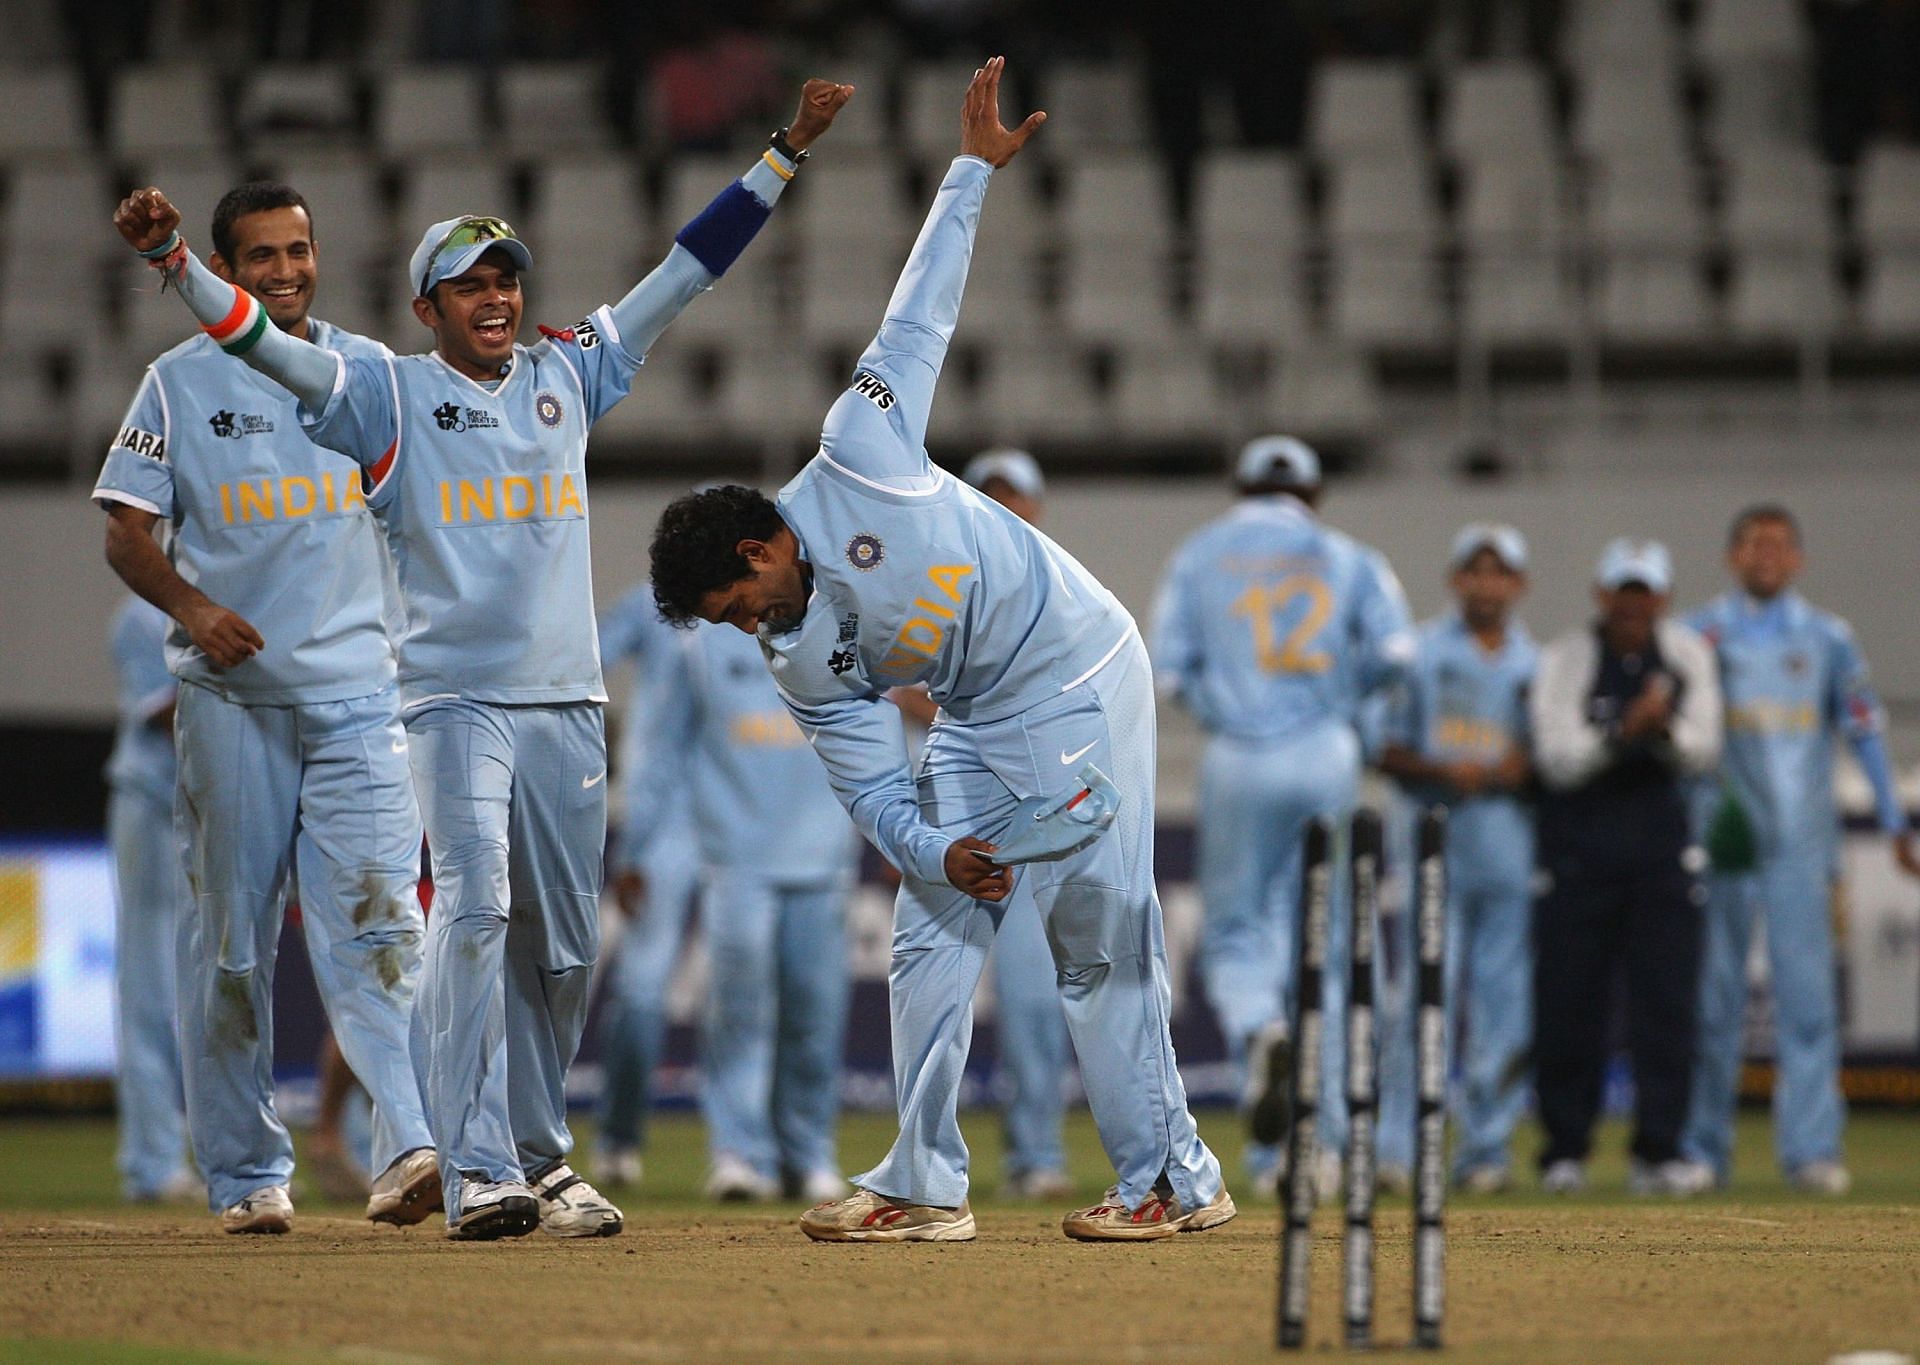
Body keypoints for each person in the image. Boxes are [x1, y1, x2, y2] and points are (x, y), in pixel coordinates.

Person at [112, 77, 853, 1240]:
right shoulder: (382, 397)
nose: (496, 295)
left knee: (561, 951)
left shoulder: (572, 372)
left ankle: (541, 1159)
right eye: (469, 283)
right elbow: (262, 342)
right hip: (452, 704)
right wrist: (176, 266)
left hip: (568, 701)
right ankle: (475, 1171)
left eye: (506, 276)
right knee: (472, 910)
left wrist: (786, 152)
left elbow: (686, 272)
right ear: (427, 306)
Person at [647, 59, 1233, 1243]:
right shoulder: (794, 660)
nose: (748, 625)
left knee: (1092, 934)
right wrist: (937, 848)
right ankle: (922, 1186)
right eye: (725, 624)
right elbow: (869, 786)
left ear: (768, 538)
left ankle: (1176, 1180)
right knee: (928, 915)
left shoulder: (859, 446)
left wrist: (968, 171)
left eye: (741, 598)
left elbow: (921, 311)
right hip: (974, 710)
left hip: (1073, 666)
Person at [94, 182, 437, 1235]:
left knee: (384, 933)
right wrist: (193, 608)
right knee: (233, 948)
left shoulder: (369, 372)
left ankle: (411, 1147)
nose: (284, 272)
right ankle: (246, 1175)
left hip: (358, 702)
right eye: (260, 257)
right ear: (228, 268)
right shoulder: (176, 382)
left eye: (299, 250)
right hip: (232, 705)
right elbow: (125, 530)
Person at [1150, 434, 1415, 1198]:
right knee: (1328, 942)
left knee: (1238, 932)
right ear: (1315, 492)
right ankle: (1323, 1150)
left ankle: (1262, 1041)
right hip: (1325, 751)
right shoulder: (1350, 556)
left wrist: (1223, 709)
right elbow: (1397, 653)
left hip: (1239, 755)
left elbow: (1168, 671)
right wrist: (1341, 704)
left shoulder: (1199, 556)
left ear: (1239, 486)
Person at [1678, 506, 1920, 1194]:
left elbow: (1866, 729)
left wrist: (1894, 819)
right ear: (1732, 556)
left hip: (1801, 849)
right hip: (1722, 845)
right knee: (1714, 1001)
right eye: (1755, 543)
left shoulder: (1827, 638)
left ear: (1798, 560)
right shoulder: (1698, 634)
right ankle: (1702, 1150)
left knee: (1808, 1004)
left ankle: (1812, 1149)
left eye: (1780, 545)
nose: (1767, 555)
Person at [624, 603, 859, 1203]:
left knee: (815, 1012)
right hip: (735, 854)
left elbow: (870, 726)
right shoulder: (698, 642)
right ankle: (739, 1152)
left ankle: (808, 1155)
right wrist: (637, 846)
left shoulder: (843, 623)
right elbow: (662, 746)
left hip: (823, 851)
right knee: (739, 1011)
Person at [889, 446, 1074, 1200]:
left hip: (1032, 829)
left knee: (1033, 1002)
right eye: (989, 496)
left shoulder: (1059, 588)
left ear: (1036, 509)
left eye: (1014, 497)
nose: (1002, 508)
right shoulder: (929, 587)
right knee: (934, 992)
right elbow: (892, 697)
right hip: (955, 825)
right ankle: (925, 1166)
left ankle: (1036, 1154)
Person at [1531, 539, 1721, 1196]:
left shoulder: (1689, 654)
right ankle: (1565, 1150)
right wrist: (1627, 733)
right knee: (1568, 1009)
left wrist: (1657, 730)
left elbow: (1703, 747)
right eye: (1624, 590)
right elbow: (1557, 755)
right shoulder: (1567, 657)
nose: (1635, 604)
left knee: (1665, 1010)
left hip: (1661, 858)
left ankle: (1660, 1151)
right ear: (1603, 594)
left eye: (1646, 592)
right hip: (1578, 856)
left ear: (1663, 597)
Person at [1373, 525, 1538, 1194]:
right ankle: (1395, 1148)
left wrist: (1514, 769)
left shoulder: (1539, 664)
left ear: (1518, 585)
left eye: (1501, 572)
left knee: (1505, 1008)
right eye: (1477, 571)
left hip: (1508, 853)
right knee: (1416, 999)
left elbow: (1550, 757)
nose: (1488, 584)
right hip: (1430, 850)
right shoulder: (1416, 653)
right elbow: (1382, 745)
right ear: (1456, 579)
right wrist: (1446, 769)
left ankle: (1486, 1150)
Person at [592, 586, 705, 1191]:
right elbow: (587, 660)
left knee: (765, 993)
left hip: (754, 822)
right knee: (640, 989)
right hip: (665, 824)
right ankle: (616, 1138)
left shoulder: (784, 601)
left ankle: (768, 1154)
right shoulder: (659, 600)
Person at [103, 594, 194, 1205]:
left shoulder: (237, 588)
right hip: (154, 804)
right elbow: (169, 711)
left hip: (206, 809)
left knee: (198, 989)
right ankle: (152, 1162)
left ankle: (220, 1153)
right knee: (150, 986)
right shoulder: (142, 612)